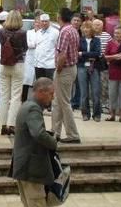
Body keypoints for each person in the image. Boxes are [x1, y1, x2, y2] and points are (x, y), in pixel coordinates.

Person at [10, 77, 58, 207]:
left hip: (23, 166)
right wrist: (53, 143)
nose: (52, 98)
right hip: (31, 168)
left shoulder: (27, 105)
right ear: (41, 92)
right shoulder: (33, 108)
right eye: (51, 94)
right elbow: (38, 133)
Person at [52, 7, 81, 143]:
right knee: (58, 102)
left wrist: (58, 68)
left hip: (64, 69)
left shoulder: (64, 31)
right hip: (71, 67)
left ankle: (73, 134)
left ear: (59, 17)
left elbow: (62, 54)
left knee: (64, 102)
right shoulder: (73, 29)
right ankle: (55, 132)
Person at [0, 10, 28, 136]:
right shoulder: (22, 33)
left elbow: (1, 44)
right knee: (16, 97)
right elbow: (25, 48)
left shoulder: (1, 31)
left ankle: (3, 125)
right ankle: (11, 125)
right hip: (17, 64)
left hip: (4, 65)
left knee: (4, 96)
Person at [104, 26, 121, 123]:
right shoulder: (110, 43)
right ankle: (112, 115)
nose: (116, 35)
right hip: (113, 72)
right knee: (112, 94)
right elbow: (105, 57)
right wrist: (114, 56)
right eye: (115, 33)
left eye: (118, 33)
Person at [77, 21, 102, 122]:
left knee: (96, 92)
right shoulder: (80, 40)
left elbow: (97, 53)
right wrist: (88, 55)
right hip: (82, 67)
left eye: (88, 28)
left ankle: (97, 114)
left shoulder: (97, 40)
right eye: (84, 28)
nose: (86, 30)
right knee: (84, 93)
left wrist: (82, 53)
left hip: (94, 67)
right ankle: (85, 114)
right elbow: (76, 53)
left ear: (92, 29)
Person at [93, 19, 111, 113]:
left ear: (102, 26)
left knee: (104, 85)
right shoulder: (90, 35)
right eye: (95, 25)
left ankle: (105, 105)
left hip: (104, 62)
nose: (97, 27)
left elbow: (110, 47)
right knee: (95, 85)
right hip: (93, 62)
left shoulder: (107, 36)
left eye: (99, 25)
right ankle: (96, 105)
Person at [22, 13, 41, 102]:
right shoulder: (29, 32)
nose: (37, 24)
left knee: (37, 81)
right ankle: (23, 99)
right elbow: (28, 44)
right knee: (26, 79)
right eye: (36, 22)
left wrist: (35, 44)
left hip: (39, 58)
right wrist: (36, 44)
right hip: (30, 57)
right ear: (34, 24)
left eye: (39, 22)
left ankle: (36, 100)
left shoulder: (42, 33)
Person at [34, 14, 58, 80]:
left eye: (46, 21)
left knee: (49, 86)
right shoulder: (38, 33)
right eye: (42, 21)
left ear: (49, 22)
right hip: (38, 64)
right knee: (40, 86)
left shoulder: (55, 32)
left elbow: (58, 47)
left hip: (50, 65)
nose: (44, 23)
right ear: (40, 22)